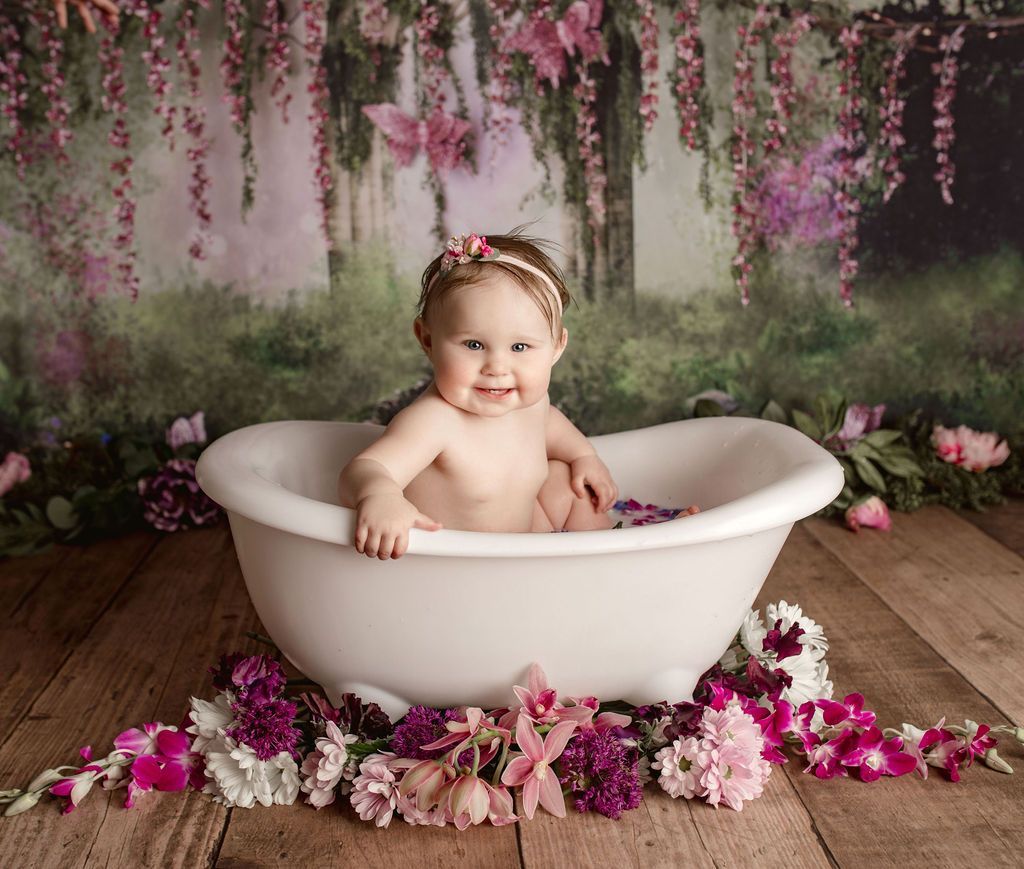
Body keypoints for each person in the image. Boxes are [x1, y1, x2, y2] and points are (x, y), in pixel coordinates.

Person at [338, 230, 620, 559]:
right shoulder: (434, 421)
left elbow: (554, 428)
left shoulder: (531, 403)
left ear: (557, 347)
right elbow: (365, 468)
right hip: (470, 564)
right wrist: (381, 495)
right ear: (427, 340)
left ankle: (619, 551)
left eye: (520, 347)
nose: (497, 367)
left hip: (530, 534)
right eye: (474, 345)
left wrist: (585, 457)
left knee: (572, 482)